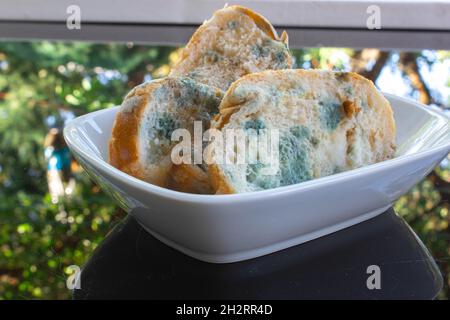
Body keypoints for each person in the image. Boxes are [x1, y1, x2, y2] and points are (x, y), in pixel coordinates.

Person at [44, 128, 75, 204]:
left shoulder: (65, 148)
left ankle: (68, 203)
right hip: (55, 171)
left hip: (65, 169)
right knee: (57, 191)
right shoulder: (50, 149)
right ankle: (60, 205)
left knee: (68, 189)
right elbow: (47, 158)